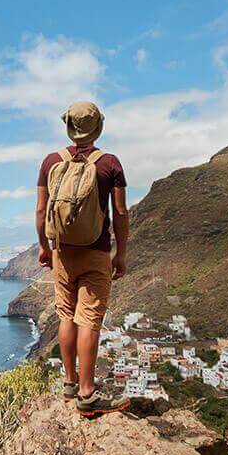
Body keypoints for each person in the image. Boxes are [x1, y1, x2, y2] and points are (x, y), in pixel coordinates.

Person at [36, 101, 130, 417]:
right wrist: (121, 253)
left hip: (62, 252)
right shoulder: (110, 164)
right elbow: (119, 213)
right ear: (98, 127)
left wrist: (44, 247)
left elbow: (40, 211)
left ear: (69, 127)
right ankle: (87, 395)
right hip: (97, 251)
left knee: (65, 314)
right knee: (89, 319)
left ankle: (69, 382)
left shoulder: (51, 162)